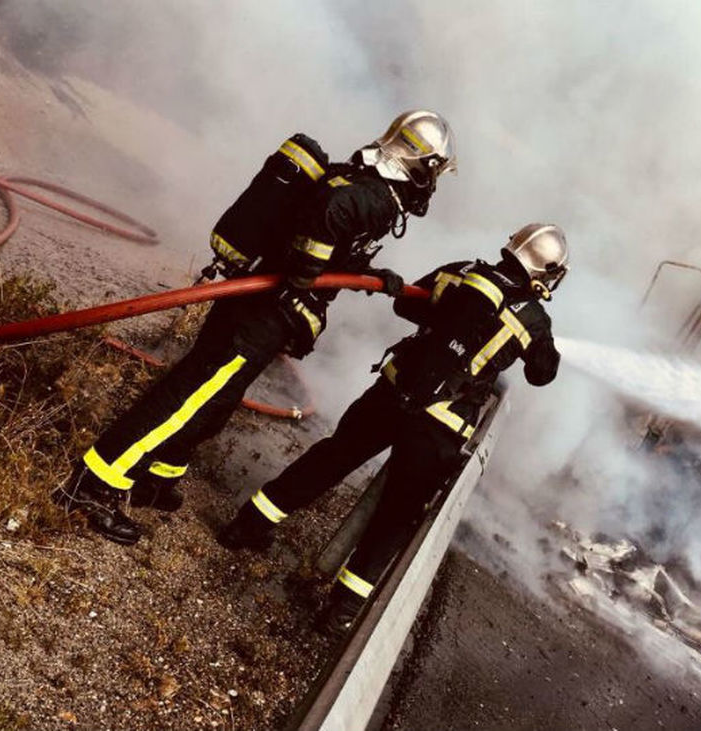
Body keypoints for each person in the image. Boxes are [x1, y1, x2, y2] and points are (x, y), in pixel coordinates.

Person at [55, 110, 457, 546]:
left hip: (260, 310)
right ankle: (91, 486)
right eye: (435, 171)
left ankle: (156, 475)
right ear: (422, 165)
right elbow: (330, 214)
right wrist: (306, 271)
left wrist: (370, 276)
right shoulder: (370, 195)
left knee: (216, 402)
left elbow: (333, 237)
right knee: (189, 397)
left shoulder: (366, 182)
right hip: (259, 314)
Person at [217, 223, 569, 635]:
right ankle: (342, 609)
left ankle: (248, 525)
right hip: (440, 426)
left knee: (331, 458)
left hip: (392, 393)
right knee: (397, 515)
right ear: (545, 272)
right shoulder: (533, 320)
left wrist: (445, 318)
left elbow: (407, 304)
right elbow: (542, 373)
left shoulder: (462, 271)